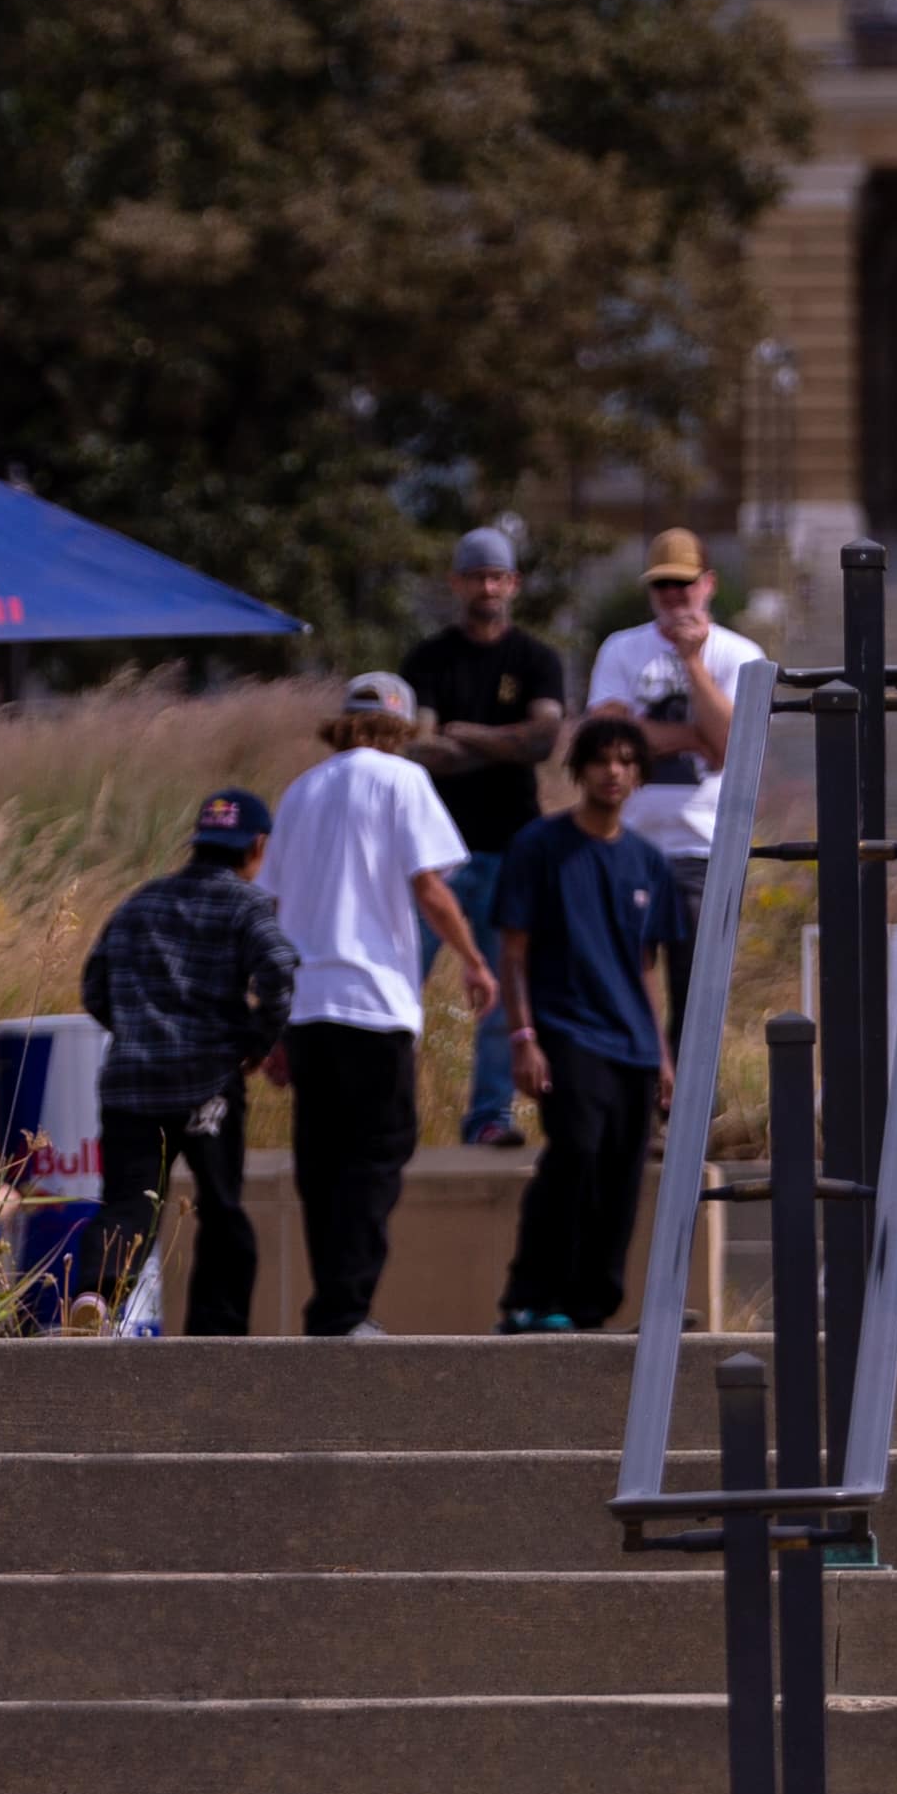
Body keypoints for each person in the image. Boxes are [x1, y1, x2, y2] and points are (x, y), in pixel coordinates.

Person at [266, 673, 497, 1336]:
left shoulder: (300, 791)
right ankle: (345, 1307)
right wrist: (473, 961)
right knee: (378, 1152)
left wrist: (276, 1020)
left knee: (322, 1159)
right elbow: (428, 884)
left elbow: (276, 908)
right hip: (373, 1002)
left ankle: (332, 1302)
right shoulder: (402, 782)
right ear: (401, 729)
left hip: (308, 1004)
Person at [77, 788, 298, 1336]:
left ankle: (94, 1296)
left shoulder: (140, 902)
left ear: (197, 843)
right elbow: (278, 968)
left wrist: (134, 1032)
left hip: (129, 1086)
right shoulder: (247, 904)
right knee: (222, 1208)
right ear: (257, 846)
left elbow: (93, 986)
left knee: (128, 1203)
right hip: (208, 1081)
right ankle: (213, 1338)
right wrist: (257, 1039)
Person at [488, 715, 682, 1334]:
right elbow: (512, 952)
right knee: (575, 1153)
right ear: (580, 769)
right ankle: (532, 1297)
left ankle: (591, 1308)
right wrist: (522, 1038)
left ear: (641, 773)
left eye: (627, 760)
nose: (614, 771)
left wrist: (663, 1057)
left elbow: (644, 969)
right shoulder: (539, 846)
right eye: (602, 759)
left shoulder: (648, 862)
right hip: (566, 1032)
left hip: (632, 1042)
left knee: (622, 1172)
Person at [403, 526, 566, 1149]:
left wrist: (463, 734)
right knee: (402, 987)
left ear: (514, 584)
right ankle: (396, 1119)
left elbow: (545, 740)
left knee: (504, 986)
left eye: (498, 577)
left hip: (512, 847)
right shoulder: (428, 659)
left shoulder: (535, 659)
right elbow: (419, 752)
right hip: (436, 851)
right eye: (476, 577)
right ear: (456, 583)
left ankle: (489, 1117)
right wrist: (503, 742)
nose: (488, 588)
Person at [582, 529, 767, 1037]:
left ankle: (691, 1108)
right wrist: (694, 736)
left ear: (707, 584)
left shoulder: (739, 653)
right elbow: (606, 736)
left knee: (696, 996)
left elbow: (731, 745)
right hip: (628, 840)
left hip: (704, 846)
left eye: (682, 584)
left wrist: (691, 662)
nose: (672, 596)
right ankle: (639, 1102)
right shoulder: (622, 649)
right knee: (620, 989)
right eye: (661, 585)